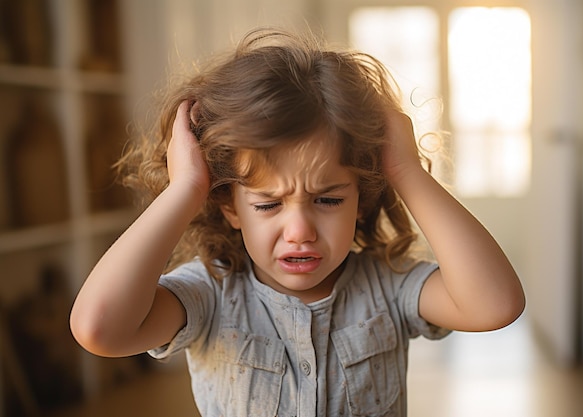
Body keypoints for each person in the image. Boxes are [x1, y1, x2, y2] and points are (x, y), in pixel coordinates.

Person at [70, 28, 525, 417]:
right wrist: (185, 190)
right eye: (268, 205)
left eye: (327, 199)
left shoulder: (389, 287)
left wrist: (406, 171)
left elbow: (495, 305)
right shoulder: (209, 294)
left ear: (361, 200)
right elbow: (100, 328)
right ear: (229, 205)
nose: (300, 230)